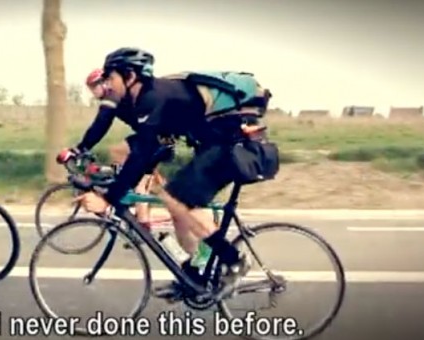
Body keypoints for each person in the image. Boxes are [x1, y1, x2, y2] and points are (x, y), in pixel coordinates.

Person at [75, 47, 278, 301]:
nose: (107, 84)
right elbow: (142, 146)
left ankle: (234, 260)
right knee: (176, 205)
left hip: (230, 141)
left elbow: (141, 154)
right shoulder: (142, 100)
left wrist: (110, 197)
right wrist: (95, 162)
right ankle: (194, 276)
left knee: (178, 198)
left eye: (111, 77)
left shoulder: (154, 97)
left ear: (129, 76)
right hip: (216, 141)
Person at [59, 68, 171, 231]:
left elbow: (101, 124)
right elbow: (102, 124)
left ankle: (143, 220)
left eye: (93, 87)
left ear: (103, 83)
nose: (93, 92)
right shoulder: (114, 96)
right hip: (150, 137)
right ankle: (139, 216)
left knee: (126, 162)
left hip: (156, 138)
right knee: (126, 163)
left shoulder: (113, 95)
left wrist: (81, 148)